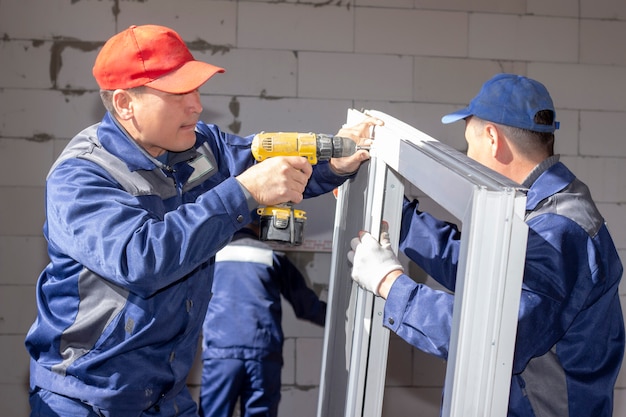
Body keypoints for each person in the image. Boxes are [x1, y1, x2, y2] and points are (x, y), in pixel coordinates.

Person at [24, 24, 378, 417]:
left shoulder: (199, 146)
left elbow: (268, 163)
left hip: (166, 395)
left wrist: (335, 162)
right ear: (125, 104)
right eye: (178, 94)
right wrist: (243, 193)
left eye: (195, 89)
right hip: (88, 400)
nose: (196, 105)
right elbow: (141, 259)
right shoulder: (82, 176)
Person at [348, 73, 624, 416]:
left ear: (492, 138)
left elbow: (498, 336)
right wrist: (397, 216)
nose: (468, 156)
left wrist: (390, 283)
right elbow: (478, 269)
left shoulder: (558, 229)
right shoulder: (537, 210)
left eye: (468, 145)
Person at [198, 219, 326, 417]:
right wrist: (348, 322)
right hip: (263, 353)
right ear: (261, 225)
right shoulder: (273, 257)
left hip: (221, 352)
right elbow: (307, 307)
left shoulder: (209, 258)